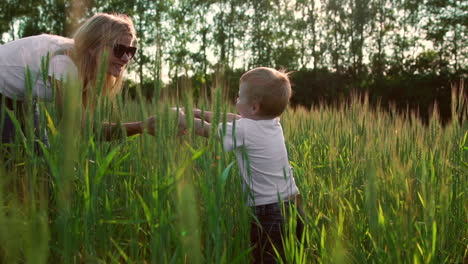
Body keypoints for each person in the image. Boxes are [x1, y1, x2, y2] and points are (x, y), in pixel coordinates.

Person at [182, 67, 305, 263]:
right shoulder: (272, 122)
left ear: (255, 107)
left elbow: (209, 131)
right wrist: (198, 112)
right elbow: (235, 119)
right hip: (294, 206)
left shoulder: (245, 130)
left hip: (269, 213)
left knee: (266, 258)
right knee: (292, 257)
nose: (236, 101)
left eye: (239, 97)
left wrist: (182, 119)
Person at [0, 13, 157, 145]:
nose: (125, 58)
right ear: (93, 47)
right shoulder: (64, 63)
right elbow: (82, 128)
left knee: (39, 163)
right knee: (13, 159)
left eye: (130, 51)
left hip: (22, 98)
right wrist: (142, 126)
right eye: (119, 49)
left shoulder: (87, 68)